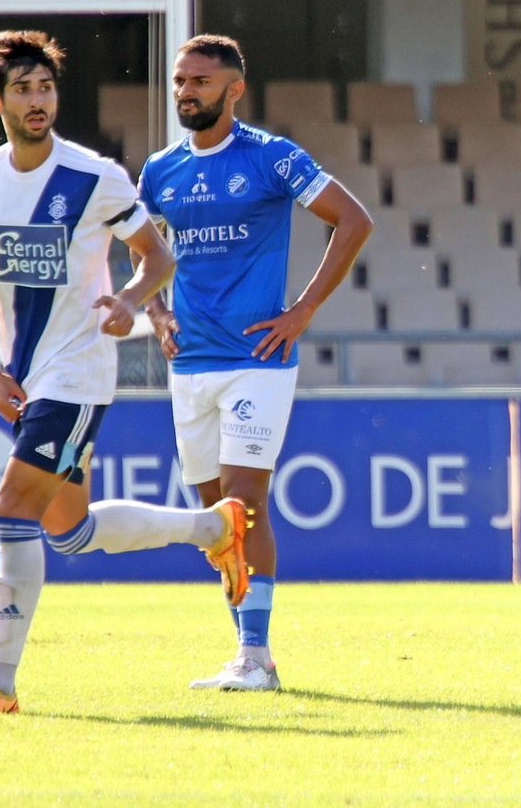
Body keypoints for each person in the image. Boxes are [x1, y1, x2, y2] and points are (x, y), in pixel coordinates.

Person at [0, 31, 252, 715]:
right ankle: (213, 529)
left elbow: (157, 257)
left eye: (46, 88)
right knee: (69, 531)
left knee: (11, 508)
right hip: (23, 375)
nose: (37, 100)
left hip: (76, 374)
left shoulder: (93, 176)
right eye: (23, 89)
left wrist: (129, 302)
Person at [131, 34, 372, 692]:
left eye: (201, 81)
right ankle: (246, 652)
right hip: (190, 365)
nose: (186, 92)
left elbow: (353, 220)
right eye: (180, 80)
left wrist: (303, 310)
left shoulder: (271, 157)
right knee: (215, 522)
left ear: (234, 90)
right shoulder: (160, 169)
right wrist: (157, 313)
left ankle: (257, 655)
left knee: (243, 505)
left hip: (256, 359)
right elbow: (143, 247)